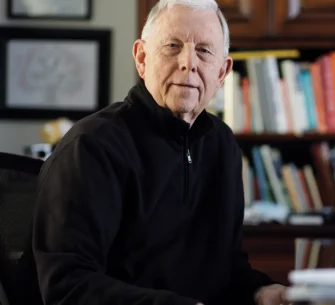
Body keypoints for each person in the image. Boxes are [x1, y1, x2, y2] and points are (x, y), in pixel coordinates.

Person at [29, 0, 288, 304]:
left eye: (204, 50)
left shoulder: (222, 144)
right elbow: (67, 287)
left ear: (222, 72)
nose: (188, 62)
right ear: (141, 58)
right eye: (172, 46)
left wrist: (264, 293)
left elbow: (227, 271)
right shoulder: (91, 147)